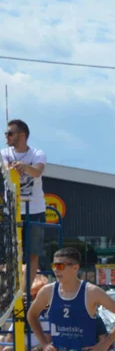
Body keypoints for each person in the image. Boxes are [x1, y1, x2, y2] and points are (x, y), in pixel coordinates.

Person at [2, 119, 47, 278]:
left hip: (34, 209)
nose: (6, 136)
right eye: (6, 133)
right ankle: (12, 287)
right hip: (12, 211)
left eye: (10, 133)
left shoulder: (37, 154)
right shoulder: (3, 154)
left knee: (33, 253)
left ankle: (27, 290)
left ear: (22, 136)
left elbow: (37, 172)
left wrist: (25, 166)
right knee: (11, 253)